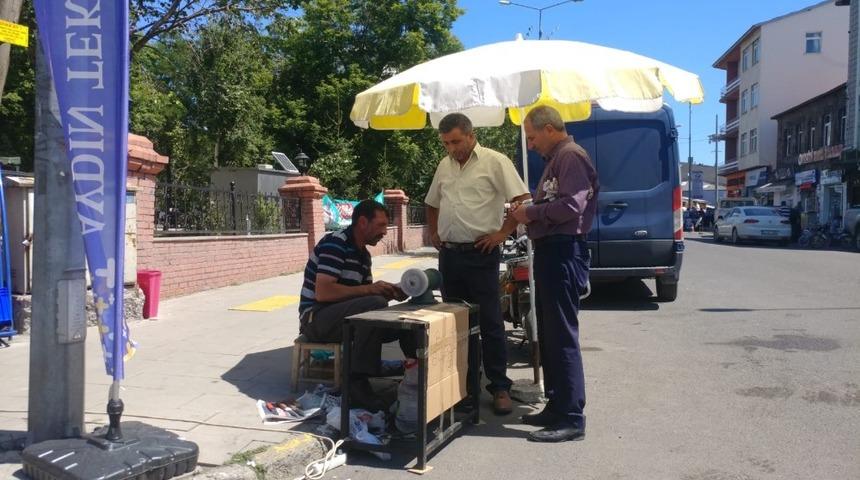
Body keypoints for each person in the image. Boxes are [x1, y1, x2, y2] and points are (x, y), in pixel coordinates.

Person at [424, 113, 531, 415]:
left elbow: (523, 200)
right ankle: (463, 387)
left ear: (471, 136)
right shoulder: (444, 165)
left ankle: (499, 386)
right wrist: (433, 231)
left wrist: (501, 234)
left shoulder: (494, 161)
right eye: (446, 143)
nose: (451, 148)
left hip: (481, 253)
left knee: (490, 322)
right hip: (450, 255)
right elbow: (431, 203)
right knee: (455, 324)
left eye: (456, 141)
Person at [510, 105, 598, 443]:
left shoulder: (570, 156)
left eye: (531, 137)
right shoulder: (558, 158)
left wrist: (529, 213)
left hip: (564, 251)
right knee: (549, 332)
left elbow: (572, 206)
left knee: (561, 335)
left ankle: (571, 417)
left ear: (549, 128)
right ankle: (558, 405)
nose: (530, 144)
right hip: (553, 251)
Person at [298, 199, 414, 411]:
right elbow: (323, 293)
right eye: (380, 226)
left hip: (343, 317)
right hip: (316, 318)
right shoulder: (336, 243)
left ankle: (415, 372)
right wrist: (373, 291)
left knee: (405, 319)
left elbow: (365, 301)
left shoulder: (363, 255)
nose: (385, 232)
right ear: (362, 222)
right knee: (375, 304)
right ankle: (356, 382)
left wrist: (392, 292)